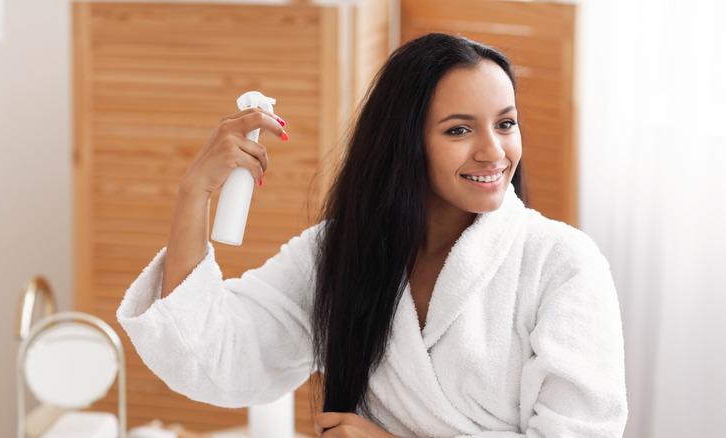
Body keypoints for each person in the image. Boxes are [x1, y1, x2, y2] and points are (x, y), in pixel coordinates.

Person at [117, 33, 628, 437]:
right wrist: (194, 195)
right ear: (404, 144)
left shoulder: (562, 264)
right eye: (459, 129)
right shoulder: (341, 252)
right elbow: (210, 357)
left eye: (506, 123)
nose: (494, 152)